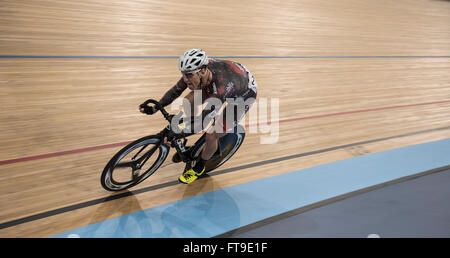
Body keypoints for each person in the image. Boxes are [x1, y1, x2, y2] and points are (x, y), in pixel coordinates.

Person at [139, 49, 257, 184]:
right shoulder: (195, 70)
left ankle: (200, 166)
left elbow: (202, 123)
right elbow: (175, 90)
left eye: (188, 75)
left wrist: (177, 134)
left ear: (202, 71)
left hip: (243, 94)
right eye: (183, 74)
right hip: (224, 79)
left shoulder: (219, 89)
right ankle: (188, 132)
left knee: (212, 134)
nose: (185, 79)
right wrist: (156, 107)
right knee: (187, 101)